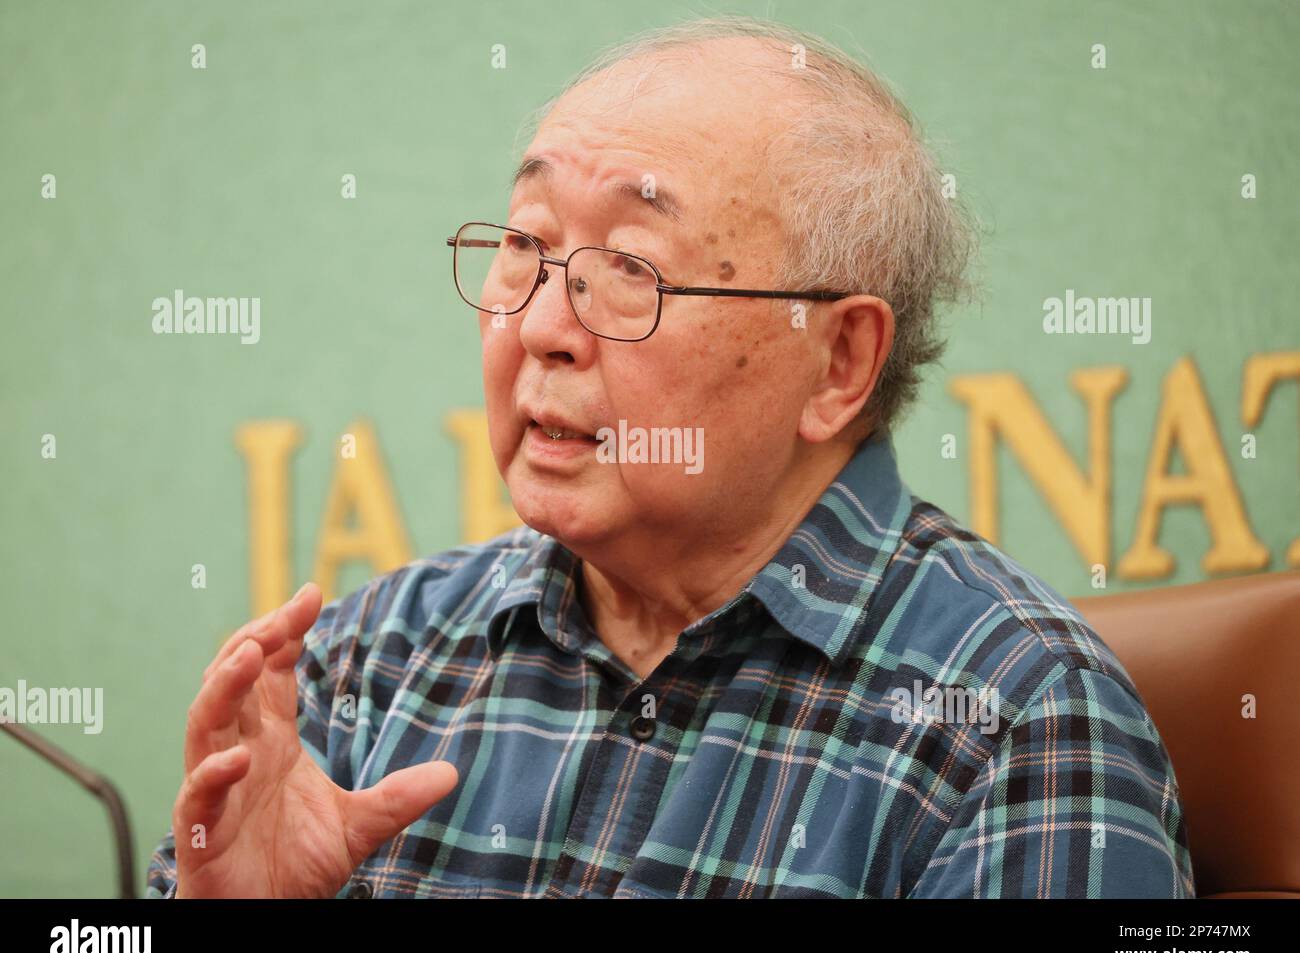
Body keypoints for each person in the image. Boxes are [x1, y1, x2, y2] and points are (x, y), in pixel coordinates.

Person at [147, 17, 1194, 898]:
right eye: (526, 244)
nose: (543, 324)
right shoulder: (370, 662)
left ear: (837, 360)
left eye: (630, 269)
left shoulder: (1015, 722)